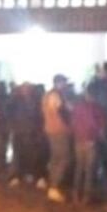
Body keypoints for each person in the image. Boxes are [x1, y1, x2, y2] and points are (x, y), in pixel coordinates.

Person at [71, 84, 107, 204]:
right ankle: (86, 196)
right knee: (89, 170)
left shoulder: (78, 107)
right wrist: (100, 136)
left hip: (78, 140)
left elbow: (73, 123)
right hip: (91, 141)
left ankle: (76, 194)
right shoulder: (98, 108)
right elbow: (100, 127)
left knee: (79, 168)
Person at [42, 74, 73, 203]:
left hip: (51, 129)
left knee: (55, 157)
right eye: (64, 82)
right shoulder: (55, 95)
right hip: (59, 129)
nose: (65, 85)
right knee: (63, 157)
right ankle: (54, 186)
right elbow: (62, 112)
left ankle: (52, 184)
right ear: (58, 83)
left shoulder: (48, 95)